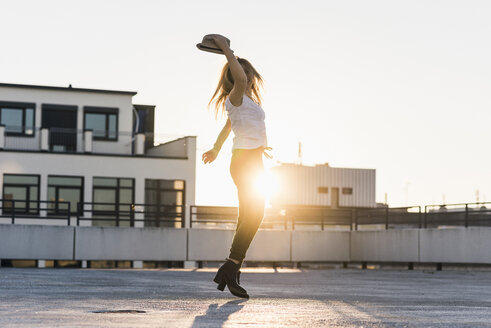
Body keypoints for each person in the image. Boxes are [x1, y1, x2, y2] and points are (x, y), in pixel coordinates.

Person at [202, 35, 269, 299]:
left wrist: (216, 149)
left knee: (251, 216)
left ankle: (233, 268)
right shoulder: (236, 94)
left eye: (249, 73)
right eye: (244, 73)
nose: (248, 77)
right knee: (254, 214)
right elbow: (239, 79)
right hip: (245, 161)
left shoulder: (245, 102)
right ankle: (231, 266)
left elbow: (228, 128)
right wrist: (227, 49)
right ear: (237, 75)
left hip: (252, 159)